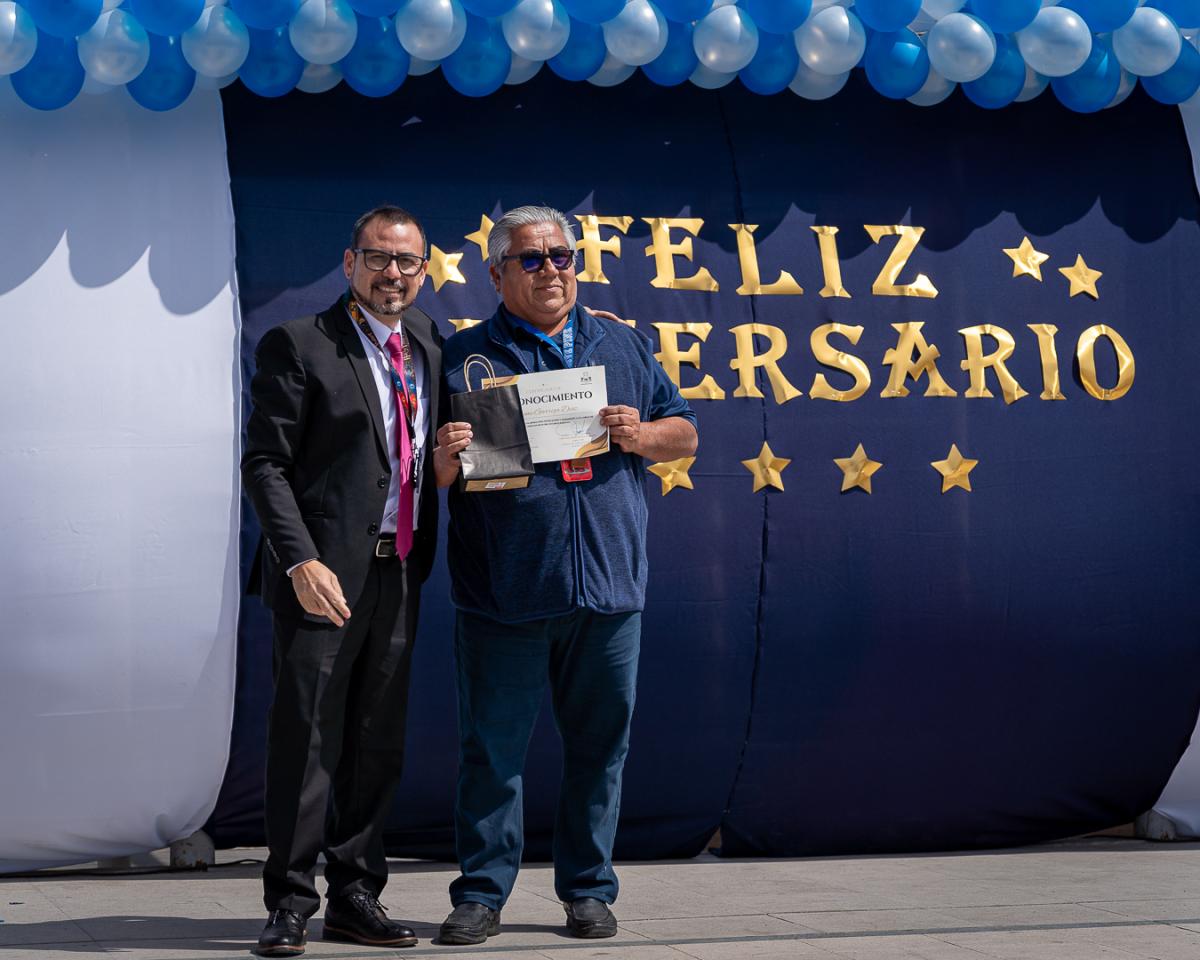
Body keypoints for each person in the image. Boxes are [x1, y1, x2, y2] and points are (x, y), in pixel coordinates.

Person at [430, 205, 698, 945]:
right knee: (492, 754)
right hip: (503, 594)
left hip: (608, 590)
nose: (551, 270)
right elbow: (424, 473)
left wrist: (640, 434)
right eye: (532, 258)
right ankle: (481, 893)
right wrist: (444, 462)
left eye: (563, 256)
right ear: (497, 274)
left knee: (600, 749)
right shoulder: (462, 355)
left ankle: (588, 890)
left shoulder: (622, 342)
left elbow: (685, 432)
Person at [242, 205, 443, 957]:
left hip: (401, 568)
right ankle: (290, 902)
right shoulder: (299, 343)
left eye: (407, 261)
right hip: (321, 579)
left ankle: (356, 896)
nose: (393, 273)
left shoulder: (427, 341)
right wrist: (299, 560)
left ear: (424, 270)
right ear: (350, 262)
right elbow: (265, 464)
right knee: (307, 741)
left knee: (375, 740)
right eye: (379, 257)